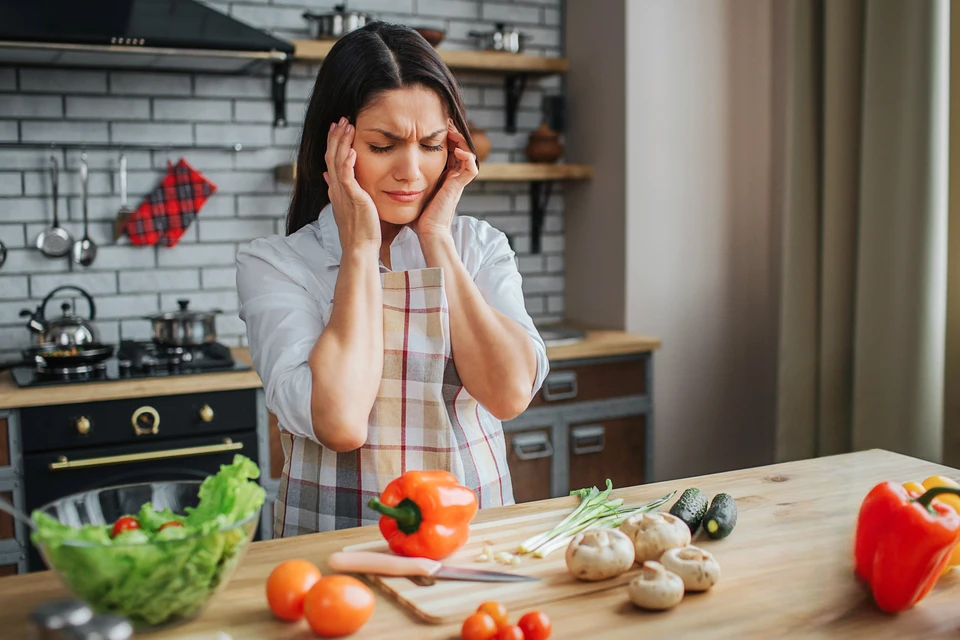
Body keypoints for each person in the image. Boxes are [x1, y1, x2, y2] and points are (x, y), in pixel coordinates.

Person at [236, 21, 549, 537]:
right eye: (383, 146)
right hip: (334, 552)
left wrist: (438, 239)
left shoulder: (478, 246)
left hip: (471, 539)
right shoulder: (277, 265)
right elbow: (339, 423)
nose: (412, 171)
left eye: (430, 145)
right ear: (335, 147)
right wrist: (359, 245)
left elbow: (508, 393)